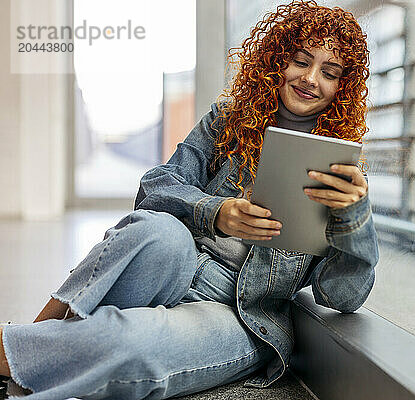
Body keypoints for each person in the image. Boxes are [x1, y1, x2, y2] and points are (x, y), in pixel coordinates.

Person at [0, 1, 379, 398]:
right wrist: (214, 213)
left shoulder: (342, 174)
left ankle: (11, 352)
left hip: (240, 314)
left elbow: (342, 296)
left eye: (330, 72)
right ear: (278, 60)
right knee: (156, 229)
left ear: (343, 87)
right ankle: (36, 336)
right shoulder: (228, 119)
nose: (311, 79)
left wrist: (354, 219)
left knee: (134, 343)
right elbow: (154, 189)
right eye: (301, 61)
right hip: (175, 266)